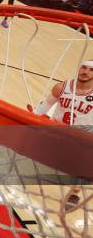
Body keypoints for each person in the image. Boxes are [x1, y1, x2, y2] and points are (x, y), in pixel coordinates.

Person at [29, 61, 92, 210]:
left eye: (91, 70)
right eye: (84, 67)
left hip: (83, 135)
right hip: (57, 131)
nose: (86, 72)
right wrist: (32, 117)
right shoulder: (62, 87)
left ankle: (75, 193)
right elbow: (45, 106)